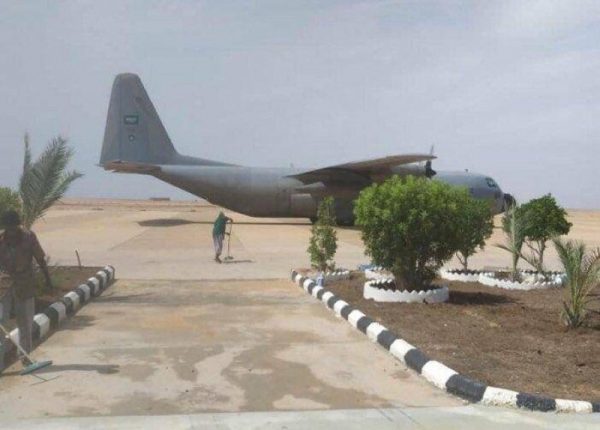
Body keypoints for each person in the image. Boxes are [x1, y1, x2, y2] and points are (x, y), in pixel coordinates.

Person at [0, 210, 53, 372]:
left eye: (14, 227)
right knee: (1, 323)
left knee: (25, 324)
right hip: (4, 287)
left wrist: (48, 280)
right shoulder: (1, 239)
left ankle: (26, 360)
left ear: (18, 225)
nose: (11, 231)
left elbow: (40, 258)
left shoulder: (29, 237)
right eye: (8, 228)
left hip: (25, 284)